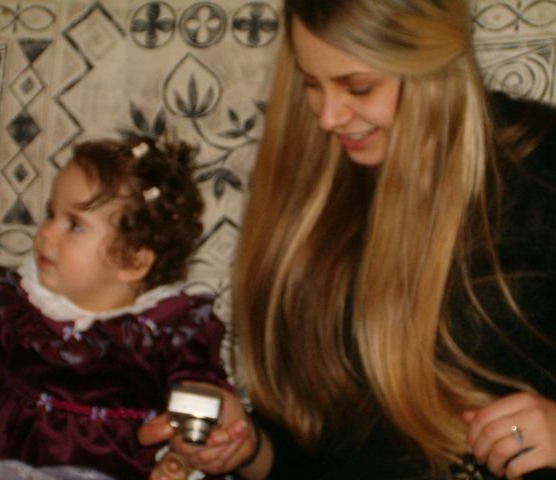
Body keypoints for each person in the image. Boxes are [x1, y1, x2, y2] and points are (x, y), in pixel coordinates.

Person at [138, 0, 556, 479]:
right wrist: (248, 448)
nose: (328, 117)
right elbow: (318, 451)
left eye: (359, 87)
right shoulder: (320, 194)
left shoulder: (541, 171)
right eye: (311, 84)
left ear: (433, 63)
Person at [0, 135, 231, 480]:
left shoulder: (168, 331)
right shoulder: (24, 310)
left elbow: (202, 393)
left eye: (75, 225)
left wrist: (185, 451)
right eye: (51, 214)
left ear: (133, 261)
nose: (46, 233)